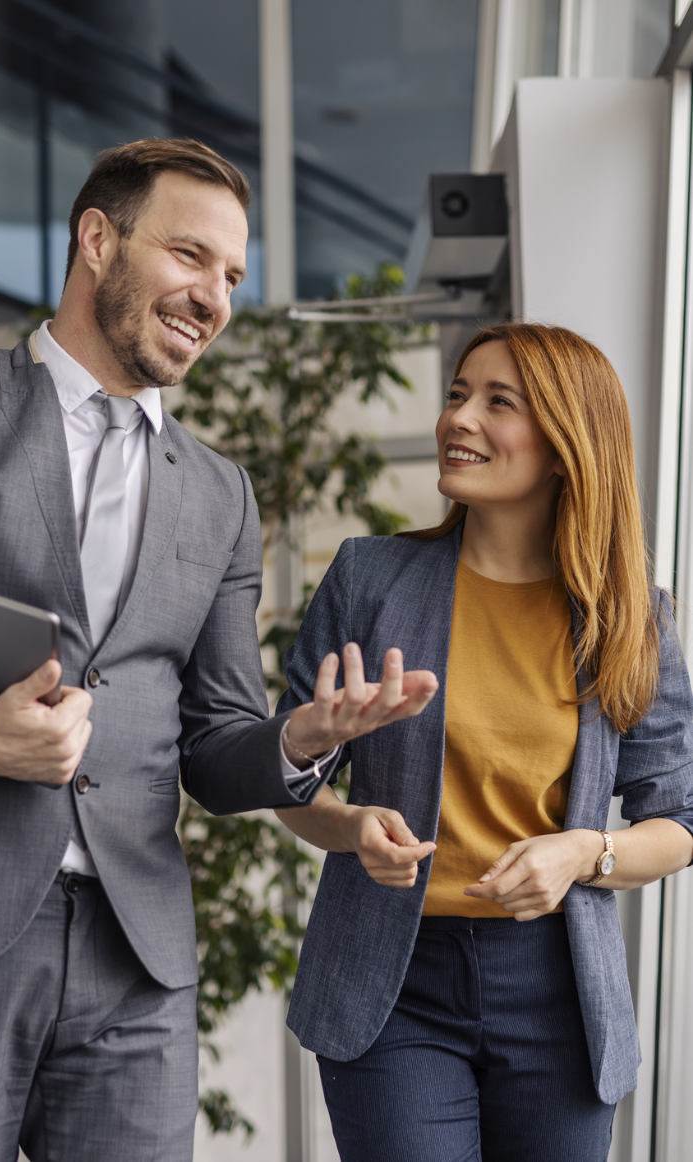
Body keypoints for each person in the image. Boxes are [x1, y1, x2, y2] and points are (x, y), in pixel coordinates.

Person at [0, 138, 437, 1162]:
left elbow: (213, 743)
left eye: (232, 276)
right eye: (190, 255)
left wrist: (298, 739)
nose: (214, 297)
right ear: (97, 239)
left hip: (136, 958)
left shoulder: (221, 493)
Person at [275, 321, 693, 1162]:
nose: (458, 418)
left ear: (566, 446)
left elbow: (678, 819)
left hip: (559, 990)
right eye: (458, 394)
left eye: (498, 402)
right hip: (392, 983)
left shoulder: (628, 618)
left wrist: (584, 852)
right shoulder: (368, 579)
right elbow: (292, 784)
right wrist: (347, 821)